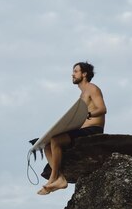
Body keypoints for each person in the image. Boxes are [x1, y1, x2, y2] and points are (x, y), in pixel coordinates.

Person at [38, 62, 107, 195]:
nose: (72, 74)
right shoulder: (82, 95)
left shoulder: (92, 88)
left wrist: (88, 114)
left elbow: (102, 109)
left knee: (56, 140)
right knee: (47, 144)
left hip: (93, 130)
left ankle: (54, 178)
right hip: (82, 131)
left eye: (76, 71)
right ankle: (61, 179)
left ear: (84, 74)